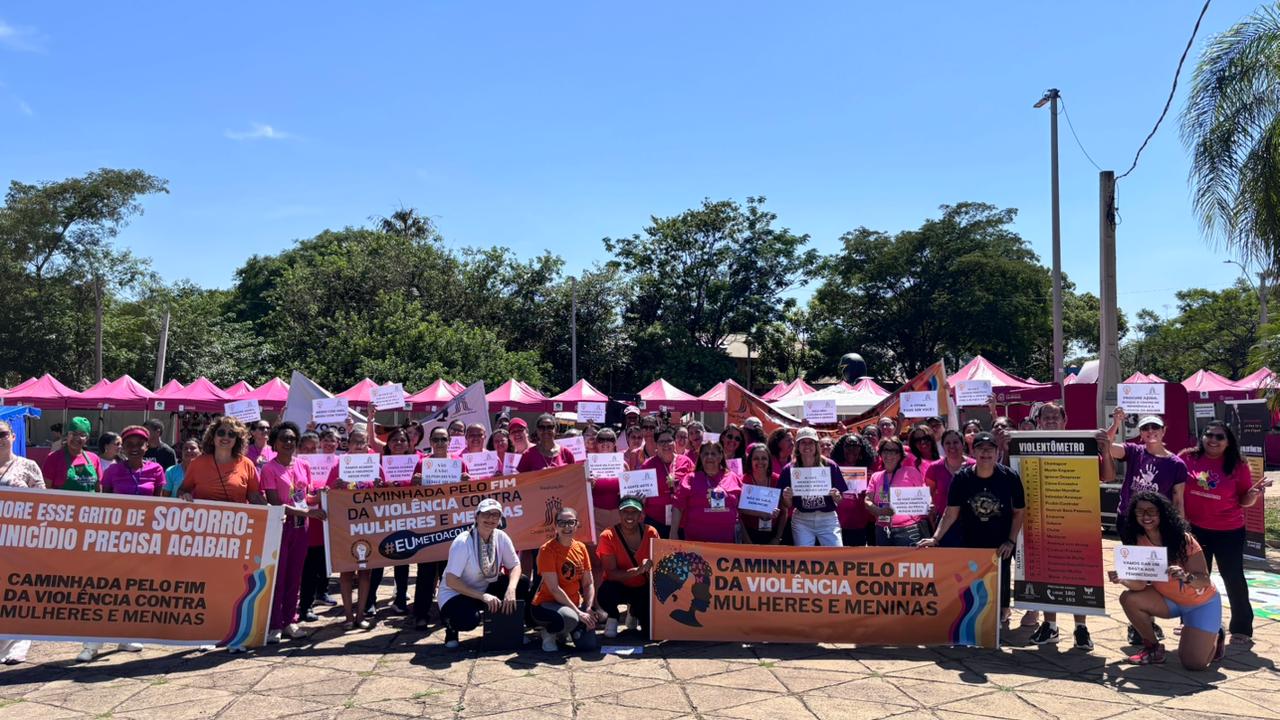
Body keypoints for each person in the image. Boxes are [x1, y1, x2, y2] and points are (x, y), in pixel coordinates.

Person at [1024, 402, 1110, 650]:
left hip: (1077, 521)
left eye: (1055, 416)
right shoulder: (1029, 445)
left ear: (1065, 420)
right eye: (1046, 416)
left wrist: (1103, 447)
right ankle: (1050, 625)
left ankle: (1081, 628)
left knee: (1078, 574)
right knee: (1046, 574)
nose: (1051, 420)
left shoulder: (1083, 443)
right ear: (1039, 421)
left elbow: (1106, 476)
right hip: (1043, 520)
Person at [918, 431, 1025, 629]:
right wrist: (935, 538)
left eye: (990, 449)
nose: (985, 453)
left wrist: (1010, 541)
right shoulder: (961, 478)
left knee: (1000, 581)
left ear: (997, 451)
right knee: (973, 584)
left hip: (1001, 542)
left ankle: (1002, 613)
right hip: (971, 541)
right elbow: (950, 513)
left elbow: (1019, 512)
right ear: (973, 451)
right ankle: (976, 619)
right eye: (981, 449)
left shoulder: (1009, 477)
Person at [1109, 491, 1224, 668]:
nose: (1145, 516)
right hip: (1169, 601)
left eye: (1151, 511)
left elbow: (1204, 581)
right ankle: (1153, 648)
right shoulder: (1137, 540)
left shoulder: (1184, 540)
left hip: (1201, 602)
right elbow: (1139, 586)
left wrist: (1186, 577)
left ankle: (1216, 634)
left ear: (1162, 513)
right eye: (1140, 512)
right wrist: (1124, 578)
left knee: (1195, 664)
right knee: (1128, 598)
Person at [1180, 420, 1268, 642]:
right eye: (1209, 435)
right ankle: (1192, 623)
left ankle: (1241, 628)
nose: (1213, 440)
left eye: (1220, 437)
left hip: (1229, 531)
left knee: (1233, 577)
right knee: (1196, 578)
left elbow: (1244, 500)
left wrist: (1254, 494)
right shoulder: (1187, 457)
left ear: (1229, 442)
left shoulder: (1238, 464)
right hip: (1195, 529)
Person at [259, 422, 320, 644]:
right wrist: (307, 512)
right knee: (278, 576)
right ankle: (274, 623)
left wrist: (325, 496)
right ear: (274, 442)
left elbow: (308, 497)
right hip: (280, 526)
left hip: (301, 527)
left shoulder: (303, 465)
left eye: (292, 438)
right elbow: (275, 503)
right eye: (284, 438)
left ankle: (290, 620)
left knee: (296, 575)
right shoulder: (269, 468)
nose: (288, 442)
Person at [439, 499, 528, 649]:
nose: (490, 519)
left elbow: (515, 565)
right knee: (468, 620)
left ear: (500, 519)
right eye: (486, 514)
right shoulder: (463, 542)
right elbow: (451, 580)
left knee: (521, 583)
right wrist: (483, 596)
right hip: (456, 594)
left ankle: (507, 628)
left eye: (495, 515)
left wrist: (511, 590)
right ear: (476, 517)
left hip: (484, 587)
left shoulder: (501, 537)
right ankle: (451, 627)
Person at [324, 428, 385, 630]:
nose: (359, 446)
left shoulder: (375, 464)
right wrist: (335, 485)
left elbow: (386, 494)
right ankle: (348, 616)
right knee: (347, 572)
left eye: (363, 442)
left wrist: (380, 486)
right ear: (348, 444)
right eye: (355, 442)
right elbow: (326, 492)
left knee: (366, 572)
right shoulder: (339, 464)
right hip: (345, 527)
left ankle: (361, 615)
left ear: (368, 444)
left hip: (368, 525)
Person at [0, 419, 44, 665]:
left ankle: (19, 645)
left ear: (13, 436)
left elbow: (43, 500)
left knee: (19, 593)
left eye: (2, 434)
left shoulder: (28, 465)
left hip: (20, 540)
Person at [531, 507, 597, 651]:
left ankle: (567, 631)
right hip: (547, 604)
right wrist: (579, 613)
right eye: (562, 523)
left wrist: (588, 608)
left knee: (589, 645)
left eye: (571, 522)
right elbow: (554, 589)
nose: (567, 527)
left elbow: (588, 583)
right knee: (570, 618)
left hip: (574, 605)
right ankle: (548, 633)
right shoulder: (546, 550)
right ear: (555, 526)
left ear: (577, 524)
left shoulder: (581, 548)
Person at [1107, 410, 1187, 524]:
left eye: (1155, 427)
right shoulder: (1134, 451)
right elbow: (1106, 447)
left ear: (1163, 430)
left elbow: (1178, 501)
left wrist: (1180, 529)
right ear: (1140, 433)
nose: (1150, 430)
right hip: (1129, 517)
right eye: (1145, 428)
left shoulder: (1177, 464)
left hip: (1157, 521)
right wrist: (1116, 423)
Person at [596, 497, 659, 637]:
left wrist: (650, 564)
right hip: (618, 586)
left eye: (634, 512)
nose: (629, 516)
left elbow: (659, 563)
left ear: (641, 514)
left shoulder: (651, 532)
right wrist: (635, 572)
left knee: (649, 634)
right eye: (625, 511)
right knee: (605, 592)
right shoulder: (608, 536)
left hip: (642, 587)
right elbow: (611, 573)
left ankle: (634, 612)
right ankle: (613, 616)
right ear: (619, 513)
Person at [778, 427, 847, 546]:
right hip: (802, 520)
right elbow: (787, 505)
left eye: (811, 442)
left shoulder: (829, 465)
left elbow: (840, 499)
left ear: (816, 445)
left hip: (827, 519)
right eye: (803, 442)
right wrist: (787, 497)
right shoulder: (789, 469)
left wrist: (836, 496)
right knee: (805, 559)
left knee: (835, 555)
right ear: (798, 446)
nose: (807, 446)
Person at [179, 417, 264, 506]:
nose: (226, 437)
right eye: (221, 433)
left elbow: (254, 496)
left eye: (231, 434)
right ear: (213, 436)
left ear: (237, 439)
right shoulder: (197, 463)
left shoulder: (247, 464)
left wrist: (272, 511)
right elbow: (182, 490)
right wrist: (185, 495)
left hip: (236, 518)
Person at [671, 441, 743, 543]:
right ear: (700, 456)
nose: (709, 457)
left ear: (720, 456)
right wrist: (673, 533)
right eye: (705, 454)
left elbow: (743, 506)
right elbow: (677, 506)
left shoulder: (733, 477)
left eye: (713, 454)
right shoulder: (690, 478)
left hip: (727, 545)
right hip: (696, 544)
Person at [866, 437, 931, 546]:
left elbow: (925, 496)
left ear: (900, 454)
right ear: (881, 453)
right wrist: (878, 511)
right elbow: (867, 501)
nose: (889, 455)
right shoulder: (876, 476)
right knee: (885, 562)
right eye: (886, 450)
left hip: (908, 528)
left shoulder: (911, 472)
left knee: (907, 563)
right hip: (882, 529)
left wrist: (928, 504)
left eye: (894, 451)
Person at [640, 427, 695, 537]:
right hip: (654, 520)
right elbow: (642, 494)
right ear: (656, 445)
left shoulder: (686, 461)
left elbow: (694, 486)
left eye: (669, 441)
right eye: (661, 442)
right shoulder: (648, 465)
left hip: (682, 520)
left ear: (674, 442)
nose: (666, 445)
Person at [923, 430, 973, 547]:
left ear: (963, 444)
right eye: (948, 443)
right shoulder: (935, 468)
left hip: (971, 522)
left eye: (955, 442)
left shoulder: (974, 466)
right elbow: (929, 493)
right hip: (944, 524)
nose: (952, 446)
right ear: (942, 446)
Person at [831, 433, 875, 547]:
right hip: (838, 523)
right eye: (848, 446)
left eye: (856, 446)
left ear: (861, 449)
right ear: (842, 448)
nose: (851, 449)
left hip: (860, 522)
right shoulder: (834, 468)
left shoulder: (868, 472)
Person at [740, 443, 788, 545]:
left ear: (769, 461)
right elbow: (738, 512)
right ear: (750, 461)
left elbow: (784, 512)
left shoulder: (777, 480)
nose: (760, 462)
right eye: (756, 458)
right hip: (749, 533)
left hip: (773, 533)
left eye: (764, 458)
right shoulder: (743, 480)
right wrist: (747, 541)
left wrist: (777, 538)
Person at [41, 416, 103, 492]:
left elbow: (98, 490)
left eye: (82, 435)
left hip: (88, 503)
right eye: (73, 434)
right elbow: (46, 490)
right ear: (67, 435)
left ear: (87, 438)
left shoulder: (94, 458)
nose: (77, 438)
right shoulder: (53, 458)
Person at [102, 426, 165, 497]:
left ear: (147, 446)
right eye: (129, 444)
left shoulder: (156, 469)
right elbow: (105, 502)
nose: (134, 448)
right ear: (123, 447)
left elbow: (158, 502)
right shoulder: (111, 470)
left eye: (140, 444)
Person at [589, 428, 622, 535]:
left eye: (610, 439)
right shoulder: (588, 464)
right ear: (596, 443)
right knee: (597, 550)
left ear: (615, 443)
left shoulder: (623, 464)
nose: (605, 442)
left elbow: (629, 490)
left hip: (618, 516)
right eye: (601, 439)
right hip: (596, 515)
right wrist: (588, 485)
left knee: (616, 549)